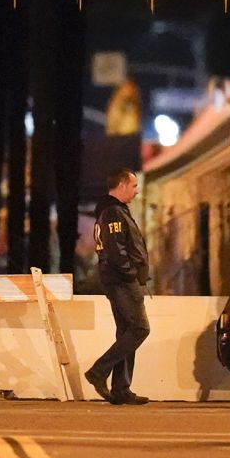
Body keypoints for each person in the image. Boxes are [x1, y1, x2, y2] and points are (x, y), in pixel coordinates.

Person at [84, 169, 151, 405]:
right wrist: (130, 272)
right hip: (122, 281)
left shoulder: (112, 210)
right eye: (133, 185)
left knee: (126, 333)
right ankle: (98, 371)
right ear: (121, 185)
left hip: (119, 280)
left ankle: (121, 388)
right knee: (139, 329)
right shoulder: (113, 212)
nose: (136, 190)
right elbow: (116, 249)